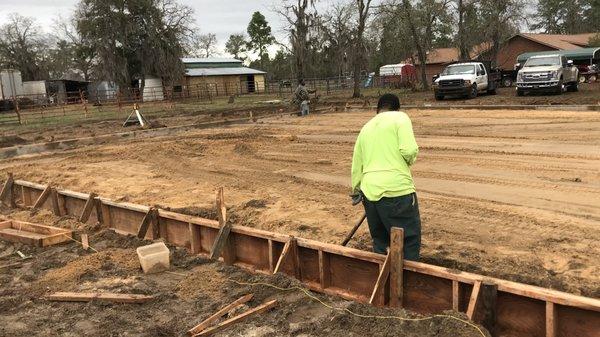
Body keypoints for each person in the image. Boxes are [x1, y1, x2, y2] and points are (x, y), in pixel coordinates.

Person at [350, 93, 421, 260]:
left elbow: (356, 164)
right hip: (397, 192)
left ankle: (383, 281)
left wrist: (356, 189)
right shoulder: (400, 118)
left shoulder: (366, 127)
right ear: (397, 108)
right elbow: (409, 150)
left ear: (378, 110)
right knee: (409, 240)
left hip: (370, 194)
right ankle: (408, 282)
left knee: (380, 241)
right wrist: (407, 162)